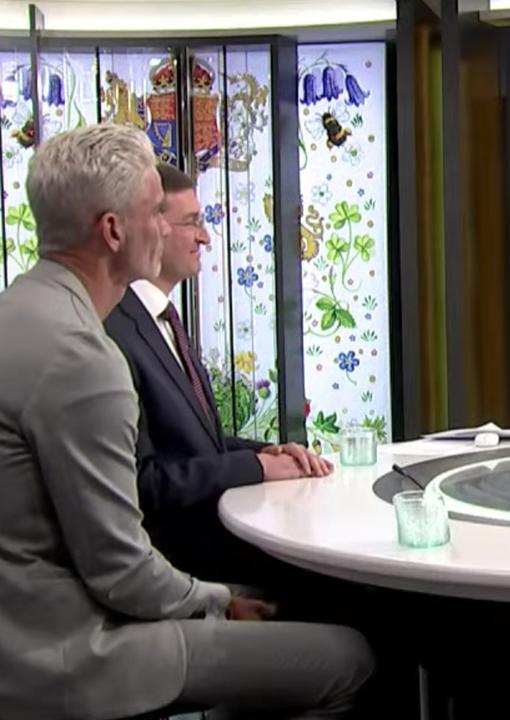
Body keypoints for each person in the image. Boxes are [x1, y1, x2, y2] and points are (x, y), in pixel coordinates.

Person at [0, 124, 372, 719]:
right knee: (347, 656)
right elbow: (120, 571)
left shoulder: (18, 308)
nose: (177, 229)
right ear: (113, 230)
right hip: (67, 651)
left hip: (29, 628)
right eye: (156, 211)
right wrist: (218, 602)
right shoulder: (82, 356)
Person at [105, 162, 330, 584]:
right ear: (151, 226)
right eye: (191, 222)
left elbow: (194, 444)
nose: (205, 237)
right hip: (184, 561)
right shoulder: (116, 331)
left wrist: (267, 454)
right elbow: (144, 481)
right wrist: (253, 468)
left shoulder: (162, 319)